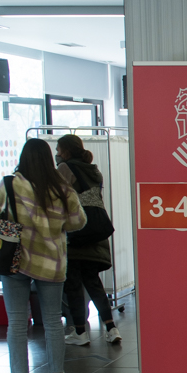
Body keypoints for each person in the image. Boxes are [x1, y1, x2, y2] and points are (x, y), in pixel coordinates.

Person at [0, 138, 86, 373]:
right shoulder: (62, 189)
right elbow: (78, 221)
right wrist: (54, 227)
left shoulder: (11, 184)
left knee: (18, 321)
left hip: (15, 261)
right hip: (52, 262)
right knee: (53, 319)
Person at [55, 134, 120, 346]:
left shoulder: (64, 169)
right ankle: (111, 328)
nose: (56, 153)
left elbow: (56, 198)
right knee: (94, 283)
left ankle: (80, 332)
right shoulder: (95, 171)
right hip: (95, 235)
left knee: (73, 285)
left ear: (65, 151)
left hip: (75, 232)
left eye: (58, 149)